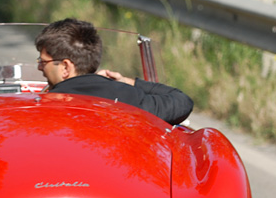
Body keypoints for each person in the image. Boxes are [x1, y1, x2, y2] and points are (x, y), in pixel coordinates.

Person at [35, 18, 193, 126]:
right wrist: (129, 82)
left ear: (66, 67)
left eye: (43, 62)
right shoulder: (128, 97)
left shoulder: (41, 107)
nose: (39, 67)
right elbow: (182, 101)